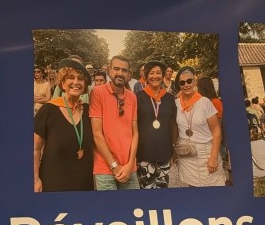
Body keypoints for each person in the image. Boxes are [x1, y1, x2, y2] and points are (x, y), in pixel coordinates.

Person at [34, 59, 94, 191]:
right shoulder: (49, 110)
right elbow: (35, 148)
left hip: (84, 182)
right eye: (71, 78)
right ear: (62, 83)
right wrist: (35, 179)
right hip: (54, 182)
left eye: (80, 79)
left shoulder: (89, 111)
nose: (76, 82)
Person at [90, 55, 139, 190]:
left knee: (133, 204)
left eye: (124, 70)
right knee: (109, 205)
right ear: (109, 71)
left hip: (129, 167)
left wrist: (130, 164)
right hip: (105, 167)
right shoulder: (97, 93)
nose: (120, 73)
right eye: (116, 69)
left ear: (129, 74)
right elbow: (97, 134)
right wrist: (114, 165)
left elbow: (135, 133)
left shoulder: (132, 97)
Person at [172, 67, 225, 187]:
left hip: (206, 153)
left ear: (194, 82)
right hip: (186, 154)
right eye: (182, 82)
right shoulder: (176, 104)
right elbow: (174, 128)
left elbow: (216, 131)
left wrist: (213, 157)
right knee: (193, 189)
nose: (186, 85)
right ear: (179, 85)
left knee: (214, 188)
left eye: (189, 81)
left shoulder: (204, 102)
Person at [135, 60, 178, 188]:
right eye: (151, 73)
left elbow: (173, 124)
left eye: (158, 73)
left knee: (162, 189)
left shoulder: (170, 98)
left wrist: (174, 147)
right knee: (146, 189)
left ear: (163, 75)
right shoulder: (137, 97)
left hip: (164, 151)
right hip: (144, 153)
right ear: (146, 76)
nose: (155, 76)